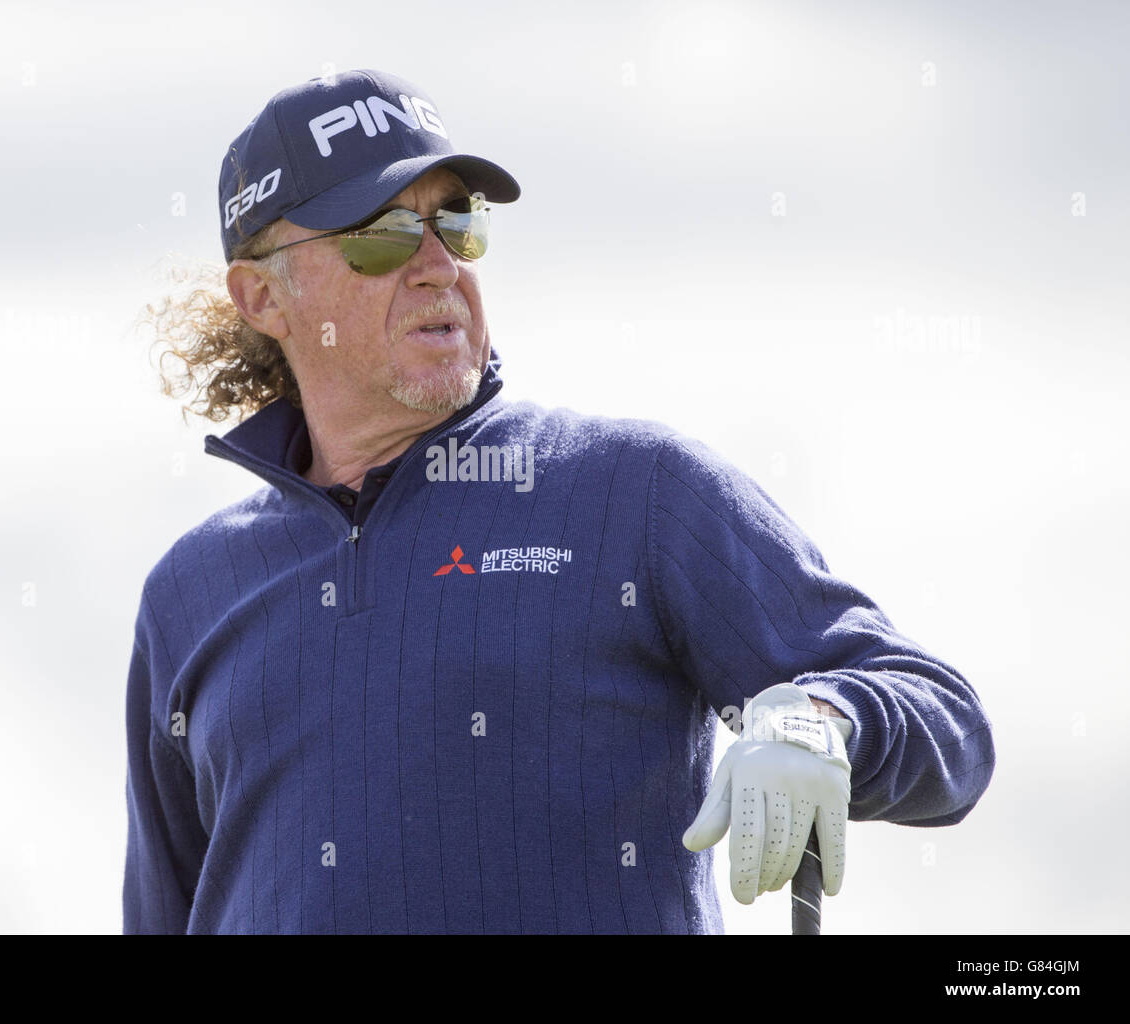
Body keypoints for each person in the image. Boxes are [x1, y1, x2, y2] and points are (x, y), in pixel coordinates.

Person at [123, 68, 995, 934]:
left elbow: (944, 717)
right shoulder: (188, 593)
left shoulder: (636, 491)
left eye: (456, 224)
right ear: (264, 296)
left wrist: (828, 721)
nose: (435, 266)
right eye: (381, 236)